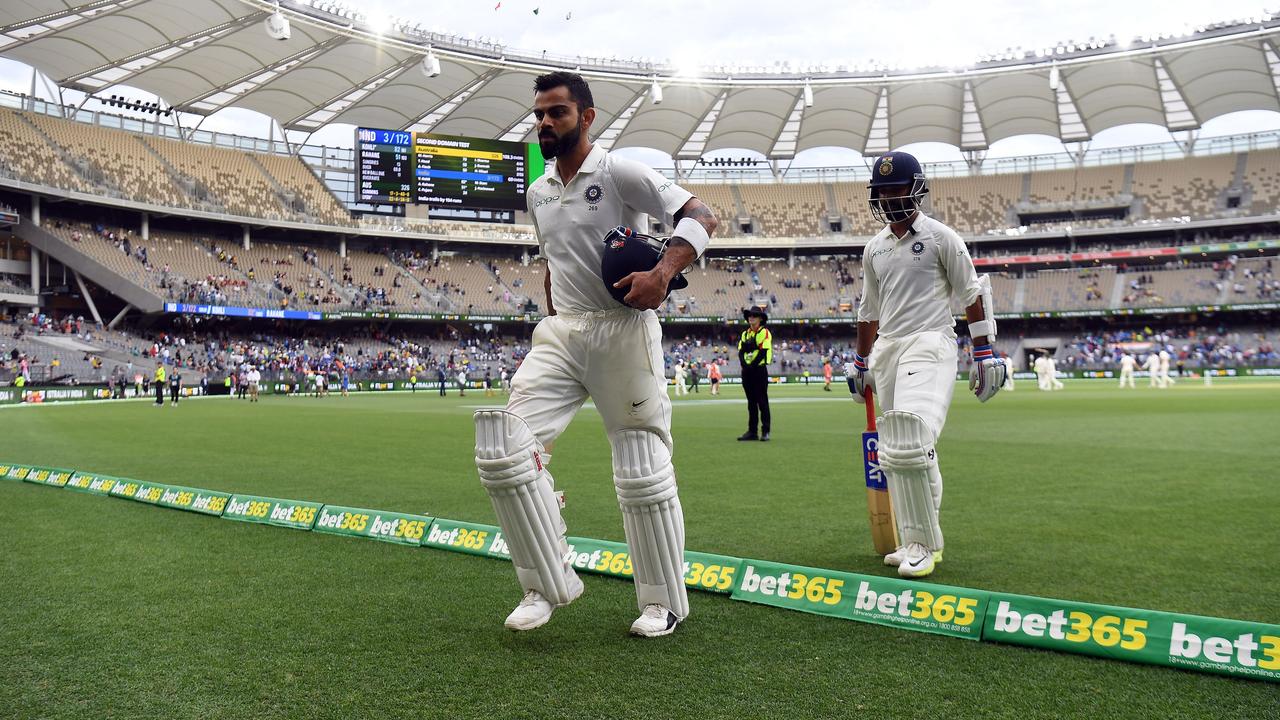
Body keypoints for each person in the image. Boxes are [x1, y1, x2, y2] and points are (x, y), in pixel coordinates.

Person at [473, 71, 717, 638]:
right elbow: (556, 264)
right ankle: (545, 583)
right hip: (562, 332)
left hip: (622, 329)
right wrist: (555, 312)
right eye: (539, 113)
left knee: (640, 467)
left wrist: (661, 273)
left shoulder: (617, 171)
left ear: (586, 116)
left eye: (556, 112)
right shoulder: (538, 191)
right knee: (502, 448)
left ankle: (663, 603)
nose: (544, 123)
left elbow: (702, 217)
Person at [846, 150, 1006, 579]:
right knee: (898, 449)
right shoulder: (873, 248)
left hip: (930, 341)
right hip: (888, 350)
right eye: (882, 191)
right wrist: (860, 359)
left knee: (911, 436)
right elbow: (868, 309)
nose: (889, 197)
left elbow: (971, 294)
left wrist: (985, 351)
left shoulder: (940, 237)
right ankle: (911, 537)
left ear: (916, 189)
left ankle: (922, 544)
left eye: (896, 188)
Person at [737, 307, 772, 441]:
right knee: (751, 402)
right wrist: (745, 365)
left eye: (754, 316)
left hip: (759, 370)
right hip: (747, 371)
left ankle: (765, 431)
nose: (751, 318)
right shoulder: (745, 334)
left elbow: (763, 351)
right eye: (750, 316)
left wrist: (751, 365)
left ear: (760, 319)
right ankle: (752, 431)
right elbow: (741, 351)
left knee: (762, 401)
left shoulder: (765, 332)